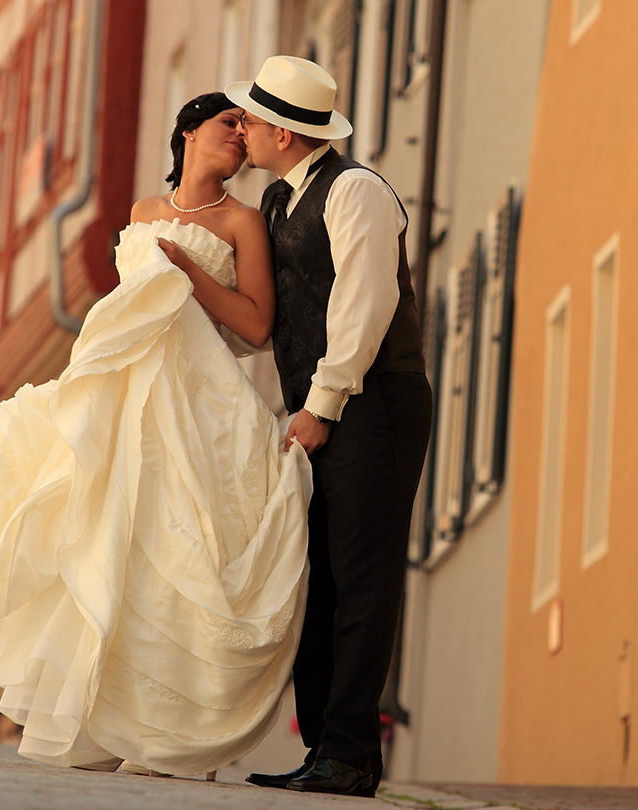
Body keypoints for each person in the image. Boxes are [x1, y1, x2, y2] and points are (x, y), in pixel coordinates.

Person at [0, 93, 313, 777]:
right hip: (125, 393)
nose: (240, 135)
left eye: (246, 128)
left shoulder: (243, 223)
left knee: (178, 546)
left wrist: (191, 275)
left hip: (196, 402)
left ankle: (169, 728)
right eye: (231, 123)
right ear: (191, 132)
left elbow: (256, 327)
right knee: (111, 540)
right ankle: (102, 716)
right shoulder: (141, 213)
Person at [226, 56, 432, 798]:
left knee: (362, 579)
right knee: (322, 580)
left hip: (376, 403)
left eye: (249, 118)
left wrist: (323, 404)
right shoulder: (281, 202)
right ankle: (325, 749)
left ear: (283, 132)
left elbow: (365, 306)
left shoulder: (357, 192)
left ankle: (349, 756)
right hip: (329, 409)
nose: (240, 127)